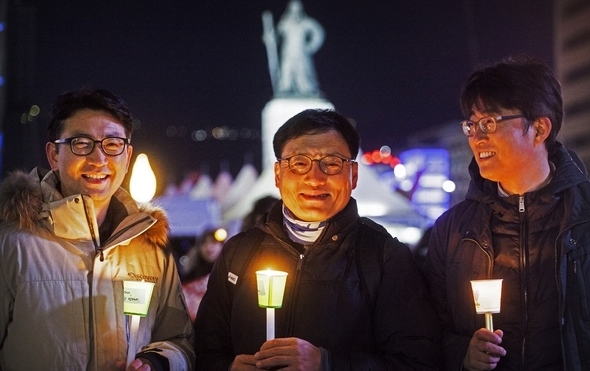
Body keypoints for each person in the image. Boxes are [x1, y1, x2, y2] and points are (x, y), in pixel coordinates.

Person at [195, 108, 442, 370]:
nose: (314, 178)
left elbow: (418, 361)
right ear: (278, 175)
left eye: (332, 163)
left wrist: (328, 364)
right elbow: (204, 350)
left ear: (354, 175)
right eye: (299, 163)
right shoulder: (239, 252)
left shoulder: (385, 257)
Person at [423, 56, 590, 370]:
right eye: (471, 125)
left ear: (539, 128)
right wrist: (462, 352)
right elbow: (427, 330)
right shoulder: (452, 229)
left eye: (489, 122)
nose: (476, 137)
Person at [0, 88, 195, 370]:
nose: (98, 159)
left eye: (112, 144)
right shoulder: (12, 241)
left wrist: (157, 363)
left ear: (127, 156)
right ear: (54, 154)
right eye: (81, 143)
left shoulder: (150, 245)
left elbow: (180, 340)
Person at [274, 0, 324, 96]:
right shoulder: (285, 23)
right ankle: (285, 89)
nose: (295, 13)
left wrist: (310, 46)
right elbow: (276, 36)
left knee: (302, 73)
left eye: (297, 10)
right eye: (293, 10)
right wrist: (270, 37)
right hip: (287, 53)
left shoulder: (306, 22)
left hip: (301, 53)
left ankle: (305, 90)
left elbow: (318, 33)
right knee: (286, 71)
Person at [181, 227, 227, 322]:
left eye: (214, 243)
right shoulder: (188, 276)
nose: (209, 247)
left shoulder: (226, 276)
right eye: (205, 242)